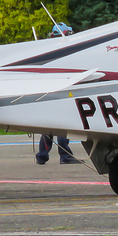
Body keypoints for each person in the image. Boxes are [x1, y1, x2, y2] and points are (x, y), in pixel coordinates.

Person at [35, 22, 81, 165]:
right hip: (61, 90)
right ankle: (65, 155)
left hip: (48, 90)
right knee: (63, 123)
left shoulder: (47, 51)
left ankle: (42, 156)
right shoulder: (65, 52)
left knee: (49, 124)